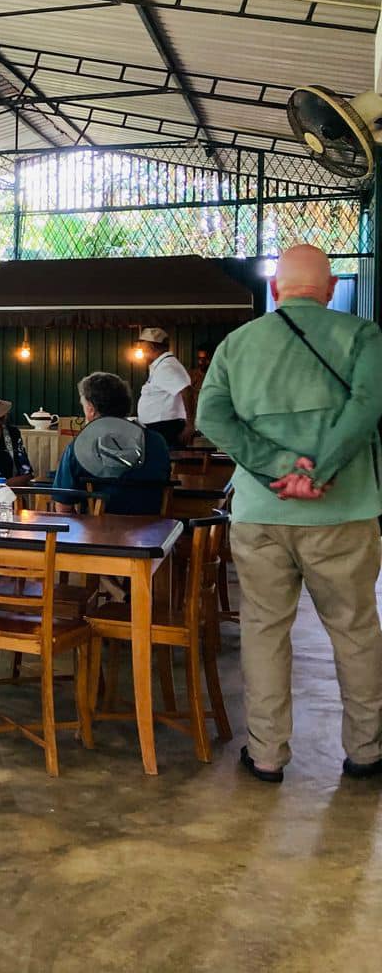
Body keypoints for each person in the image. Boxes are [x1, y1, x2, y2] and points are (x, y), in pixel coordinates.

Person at [196, 244, 382, 784]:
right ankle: (366, 750)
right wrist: (320, 472)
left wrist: (278, 466)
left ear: (275, 291)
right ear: (330, 290)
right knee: (355, 631)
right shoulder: (363, 336)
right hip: (343, 513)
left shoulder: (236, 344)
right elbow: (367, 408)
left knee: (264, 631)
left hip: (261, 513)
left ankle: (267, 753)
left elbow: (211, 416)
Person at [51, 372, 171, 514]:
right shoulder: (157, 441)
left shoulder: (79, 447)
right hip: (153, 526)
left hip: (98, 527)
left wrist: (87, 524)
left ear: (91, 409)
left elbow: (63, 507)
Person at [135, 327, 194, 447]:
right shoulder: (162, 365)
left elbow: (187, 392)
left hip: (165, 428)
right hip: (160, 427)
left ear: (151, 347)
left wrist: (190, 425)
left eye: (143, 347)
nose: (142, 352)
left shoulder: (167, 367)